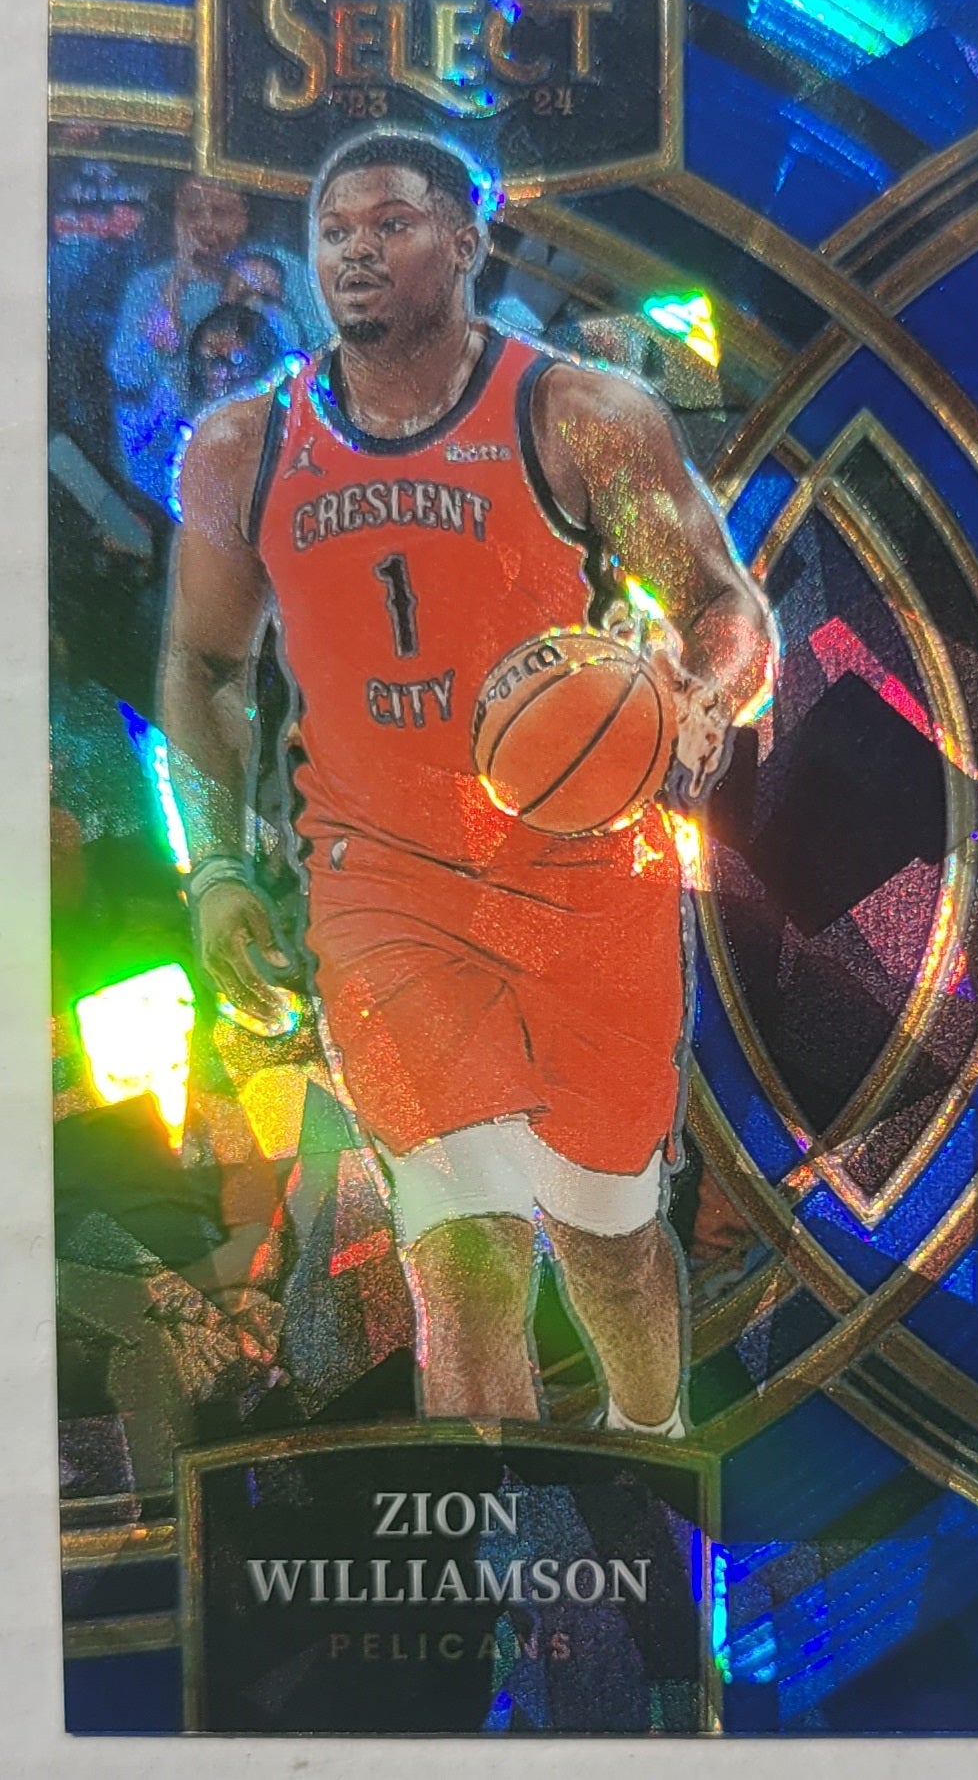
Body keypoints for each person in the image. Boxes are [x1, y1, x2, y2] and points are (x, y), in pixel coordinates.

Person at [160, 131, 773, 1436]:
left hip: (587, 877)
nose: (355, 252)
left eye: (389, 224)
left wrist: (701, 703)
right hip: (383, 885)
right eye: (334, 232)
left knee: (608, 1241)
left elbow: (722, 608)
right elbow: (203, 667)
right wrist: (210, 861)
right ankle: (494, 1534)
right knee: (464, 1253)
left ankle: (645, 1450)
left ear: (465, 240)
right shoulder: (243, 445)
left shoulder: (583, 419)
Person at [108, 178, 318, 505]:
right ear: (176, 220)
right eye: (192, 213)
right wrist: (176, 284)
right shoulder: (149, 286)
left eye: (220, 212)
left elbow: (324, 355)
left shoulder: (282, 269)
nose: (206, 224)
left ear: (244, 215)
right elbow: (127, 378)